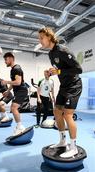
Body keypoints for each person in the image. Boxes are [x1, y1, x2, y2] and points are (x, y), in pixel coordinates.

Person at [38, 27, 82, 158]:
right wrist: (49, 73)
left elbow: (78, 69)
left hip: (74, 86)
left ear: (49, 37)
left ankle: (73, 147)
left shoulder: (62, 50)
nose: (39, 41)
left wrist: (59, 72)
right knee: (57, 112)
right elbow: (59, 69)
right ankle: (63, 141)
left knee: (68, 115)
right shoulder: (50, 54)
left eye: (41, 38)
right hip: (64, 86)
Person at [2, 52, 28, 136]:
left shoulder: (16, 68)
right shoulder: (13, 69)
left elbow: (18, 82)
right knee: (13, 108)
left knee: (13, 108)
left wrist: (6, 82)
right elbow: (13, 83)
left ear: (11, 58)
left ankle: (20, 127)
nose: (5, 61)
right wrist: (8, 91)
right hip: (18, 91)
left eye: (6, 59)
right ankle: (19, 126)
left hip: (22, 90)